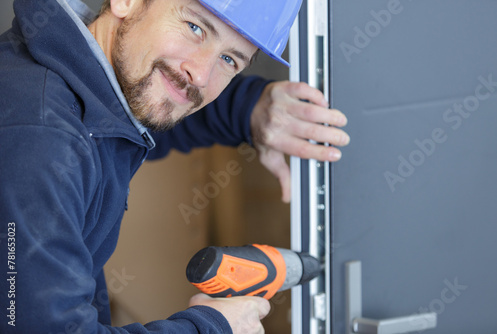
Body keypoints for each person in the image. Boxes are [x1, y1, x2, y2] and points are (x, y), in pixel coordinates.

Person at [0, 0, 349, 332]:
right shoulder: (41, 140)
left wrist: (248, 110)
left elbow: (128, 128)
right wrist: (212, 327)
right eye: (195, 27)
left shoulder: (74, 88)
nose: (199, 75)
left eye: (229, 59)